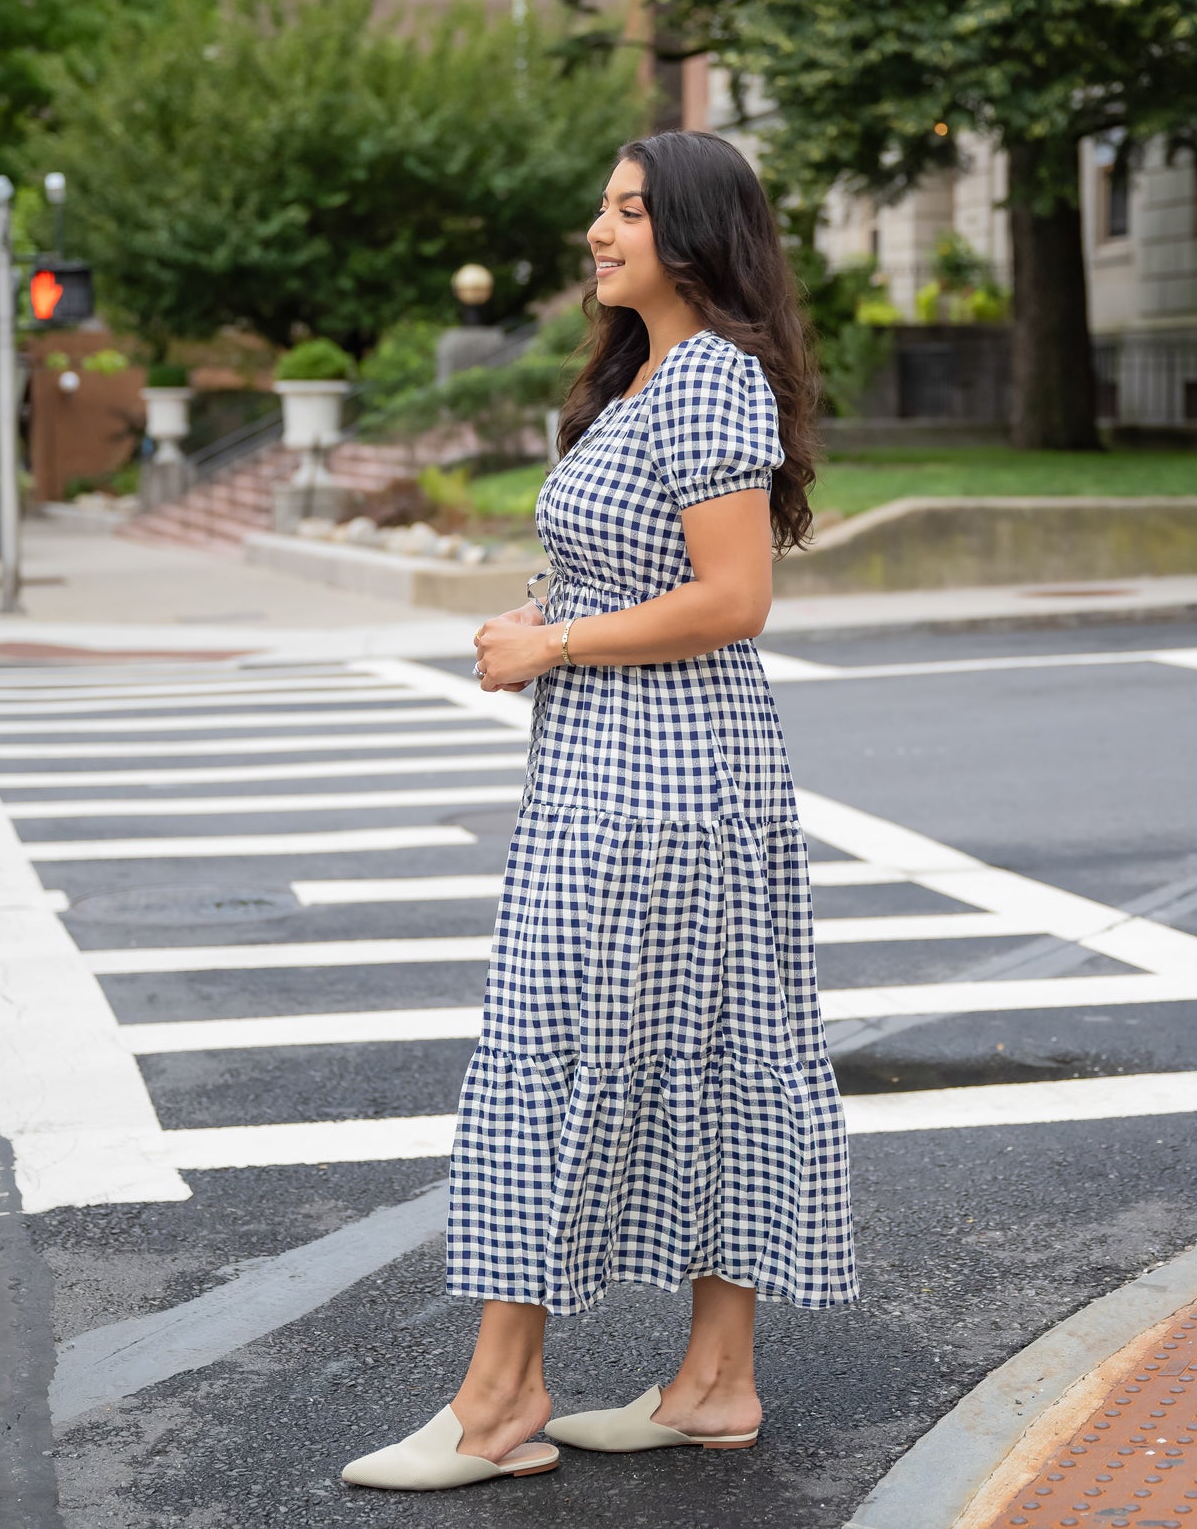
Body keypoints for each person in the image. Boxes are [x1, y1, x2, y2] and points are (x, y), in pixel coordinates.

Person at [341, 130, 858, 1494]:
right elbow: (657, 574)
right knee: (694, 1048)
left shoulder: (703, 381)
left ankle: (500, 1399)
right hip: (631, 768)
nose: (598, 228)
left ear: (693, 234)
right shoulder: (650, 380)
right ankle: (713, 1382)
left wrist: (555, 647)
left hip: (665, 782)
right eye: (602, 204)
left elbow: (736, 598)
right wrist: (552, 616)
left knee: (570, 1047)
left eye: (629, 209)